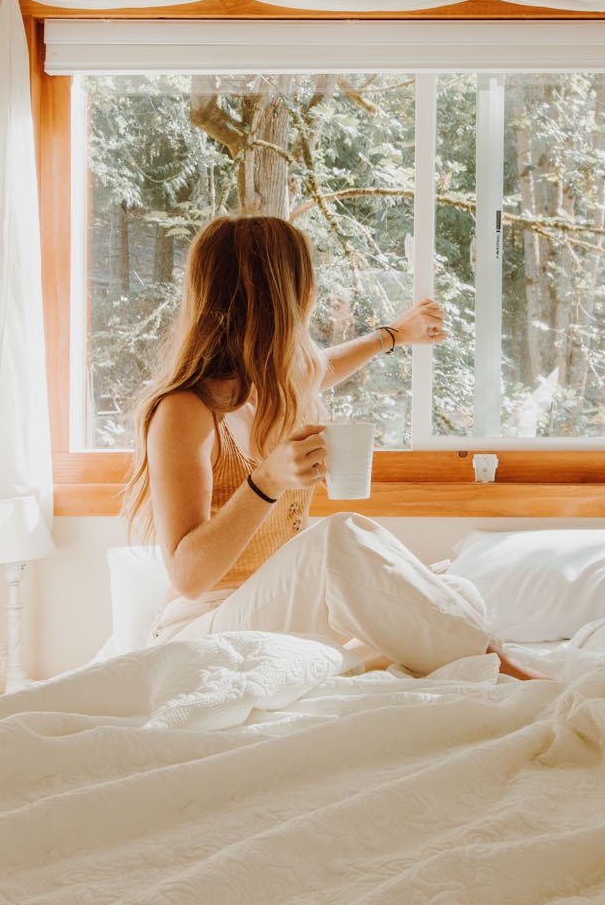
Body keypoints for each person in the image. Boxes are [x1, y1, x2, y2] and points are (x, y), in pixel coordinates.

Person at [125, 214, 534, 678]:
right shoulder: (186, 410)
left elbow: (326, 366)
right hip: (202, 633)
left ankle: (342, 666)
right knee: (338, 542)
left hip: (276, 621)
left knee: (450, 591)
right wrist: (266, 481)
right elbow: (188, 577)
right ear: (283, 296)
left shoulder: (281, 388)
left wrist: (395, 335)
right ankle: (515, 674)